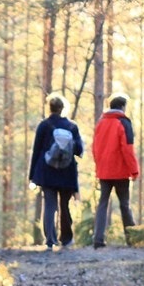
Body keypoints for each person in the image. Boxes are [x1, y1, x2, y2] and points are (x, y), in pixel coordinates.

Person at [29, 94, 82, 251]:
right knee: (64, 205)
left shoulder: (44, 126)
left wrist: (32, 176)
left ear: (49, 107)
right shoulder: (72, 126)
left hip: (47, 171)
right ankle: (66, 238)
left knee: (50, 205)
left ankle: (50, 240)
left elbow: (37, 151)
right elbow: (79, 150)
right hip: (67, 171)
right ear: (63, 108)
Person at [91, 94, 140, 248]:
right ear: (123, 106)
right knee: (124, 204)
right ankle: (131, 239)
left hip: (104, 171)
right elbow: (127, 149)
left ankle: (98, 239)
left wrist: (98, 166)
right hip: (120, 171)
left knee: (103, 204)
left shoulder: (101, 123)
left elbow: (95, 148)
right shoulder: (124, 122)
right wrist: (134, 170)